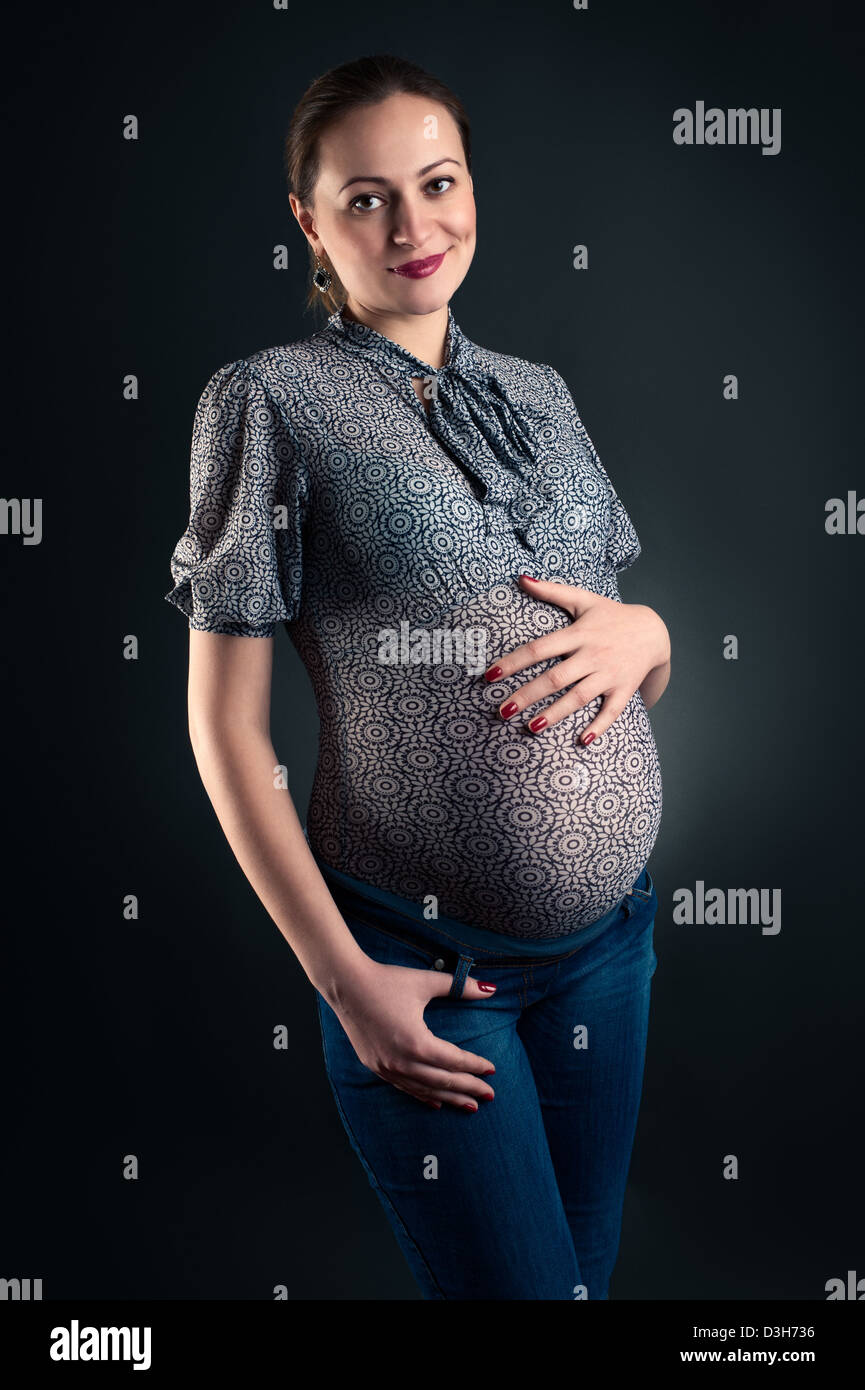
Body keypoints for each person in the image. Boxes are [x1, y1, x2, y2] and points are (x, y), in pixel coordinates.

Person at [164, 53, 671, 1300]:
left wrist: (650, 633)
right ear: (309, 221)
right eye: (367, 198)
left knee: (585, 1286)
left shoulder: (541, 396)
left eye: (437, 183)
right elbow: (225, 729)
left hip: (611, 952)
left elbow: (617, 660)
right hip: (427, 972)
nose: (414, 225)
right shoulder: (268, 400)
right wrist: (343, 984)